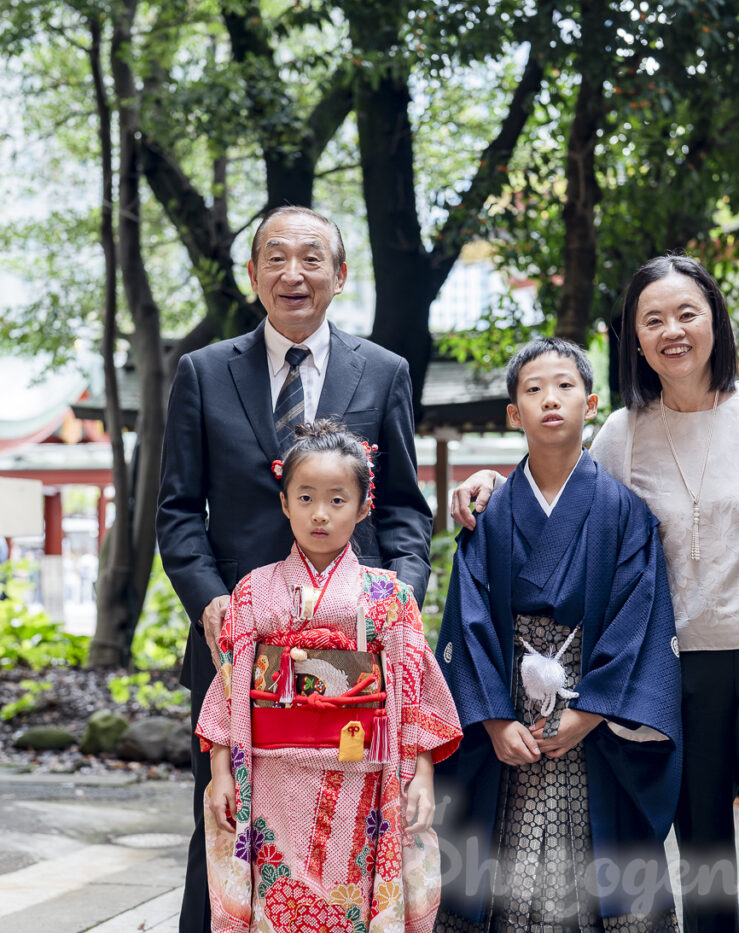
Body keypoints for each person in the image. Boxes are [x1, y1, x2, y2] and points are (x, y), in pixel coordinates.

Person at [451, 256, 739, 933]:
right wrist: (489, 482)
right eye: (653, 319)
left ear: (714, 321)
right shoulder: (624, 430)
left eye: (687, 313)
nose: (673, 330)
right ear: (634, 340)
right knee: (700, 848)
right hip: (677, 664)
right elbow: (560, 489)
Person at [157, 206, 433, 932]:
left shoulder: (385, 371)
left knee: (352, 824)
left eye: (312, 258)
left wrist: (396, 599)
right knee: (225, 824)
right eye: (275, 258)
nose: (293, 273)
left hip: (354, 657)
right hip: (237, 653)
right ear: (252, 276)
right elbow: (178, 510)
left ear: (340, 276)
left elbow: (405, 507)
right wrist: (210, 601)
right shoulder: (203, 372)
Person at [435, 337, 682, 933]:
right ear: (514, 414)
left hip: (590, 714)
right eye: (534, 389)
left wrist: (592, 712)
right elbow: (466, 622)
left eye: (566, 386)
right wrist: (492, 719)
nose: (551, 400)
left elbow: (638, 618)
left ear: (591, 403)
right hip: (509, 717)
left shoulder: (624, 511)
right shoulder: (488, 512)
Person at [197, 420, 461, 932]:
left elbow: (414, 693)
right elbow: (230, 687)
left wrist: (422, 775)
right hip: (270, 779)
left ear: (364, 508)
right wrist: (221, 770)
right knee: (276, 902)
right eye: (306, 497)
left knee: (355, 894)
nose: (320, 514)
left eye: (338, 500)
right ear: (284, 503)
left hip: (363, 773)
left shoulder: (390, 596)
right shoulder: (253, 591)